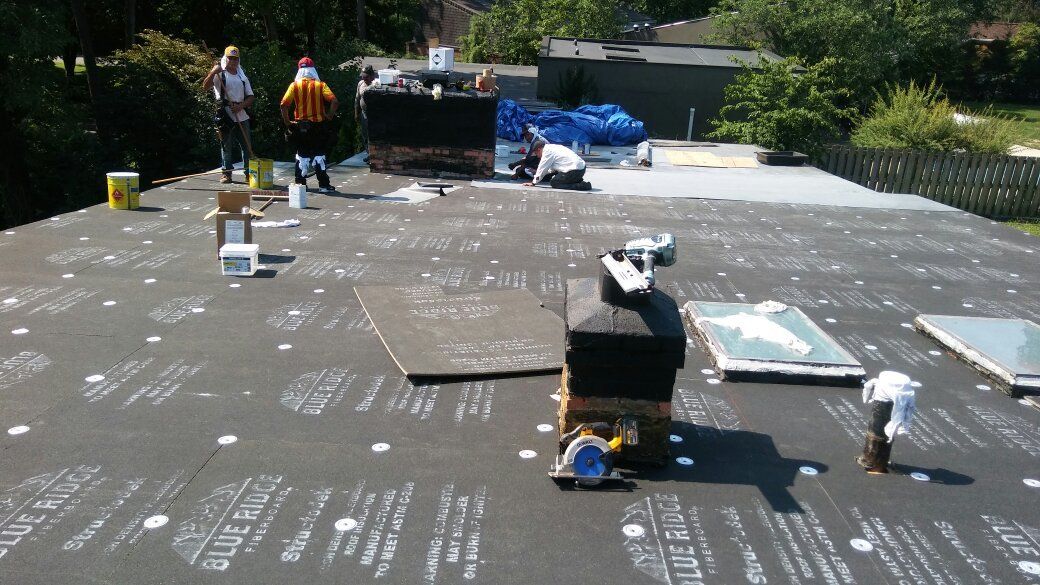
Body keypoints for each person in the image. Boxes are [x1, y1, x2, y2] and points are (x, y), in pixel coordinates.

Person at [280, 57, 339, 192]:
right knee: (319, 155)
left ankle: (300, 184)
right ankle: (323, 185)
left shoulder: (294, 86)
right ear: (313, 70)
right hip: (318, 126)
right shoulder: (320, 85)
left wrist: (287, 121)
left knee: (302, 155)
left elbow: (283, 104)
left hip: (300, 126)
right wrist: (329, 115)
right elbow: (334, 101)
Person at [203, 46, 255, 184]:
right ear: (226, 59)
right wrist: (212, 72)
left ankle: (248, 174)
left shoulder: (242, 77)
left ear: (239, 60)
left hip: (242, 114)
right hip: (225, 115)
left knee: (247, 146)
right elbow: (205, 87)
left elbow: (250, 97)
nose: (233, 61)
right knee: (226, 145)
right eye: (230, 58)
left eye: (235, 58)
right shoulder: (220, 74)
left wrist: (240, 106)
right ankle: (227, 174)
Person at [523, 141, 591, 191]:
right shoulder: (552, 147)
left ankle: (582, 186)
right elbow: (551, 169)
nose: (537, 156)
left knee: (555, 182)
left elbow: (542, 168)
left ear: (539, 149)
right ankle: (577, 180)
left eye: (536, 153)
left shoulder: (547, 152)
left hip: (575, 170)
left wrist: (533, 182)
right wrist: (537, 172)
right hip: (581, 168)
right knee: (558, 176)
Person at [355, 65, 376, 163]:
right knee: (365, 135)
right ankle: (369, 154)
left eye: (366, 77)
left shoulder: (376, 85)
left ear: (372, 76)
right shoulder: (360, 84)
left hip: (373, 115)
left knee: (373, 135)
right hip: (364, 114)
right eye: (363, 77)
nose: (364, 79)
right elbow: (357, 99)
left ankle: (374, 155)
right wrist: (356, 113)